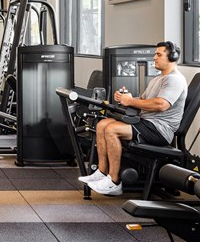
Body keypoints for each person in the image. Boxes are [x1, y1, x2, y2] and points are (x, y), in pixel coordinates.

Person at [78, 41, 187, 196]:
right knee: (102, 124)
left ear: (172, 57)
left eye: (159, 54)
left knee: (111, 129)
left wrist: (130, 101)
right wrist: (125, 98)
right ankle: (102, 172)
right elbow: (143, 100)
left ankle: (114, 182)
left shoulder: (174, 79)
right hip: (147, 123)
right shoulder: (158, 79)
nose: (154, 57)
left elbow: (162, 104)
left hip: (159, 129)